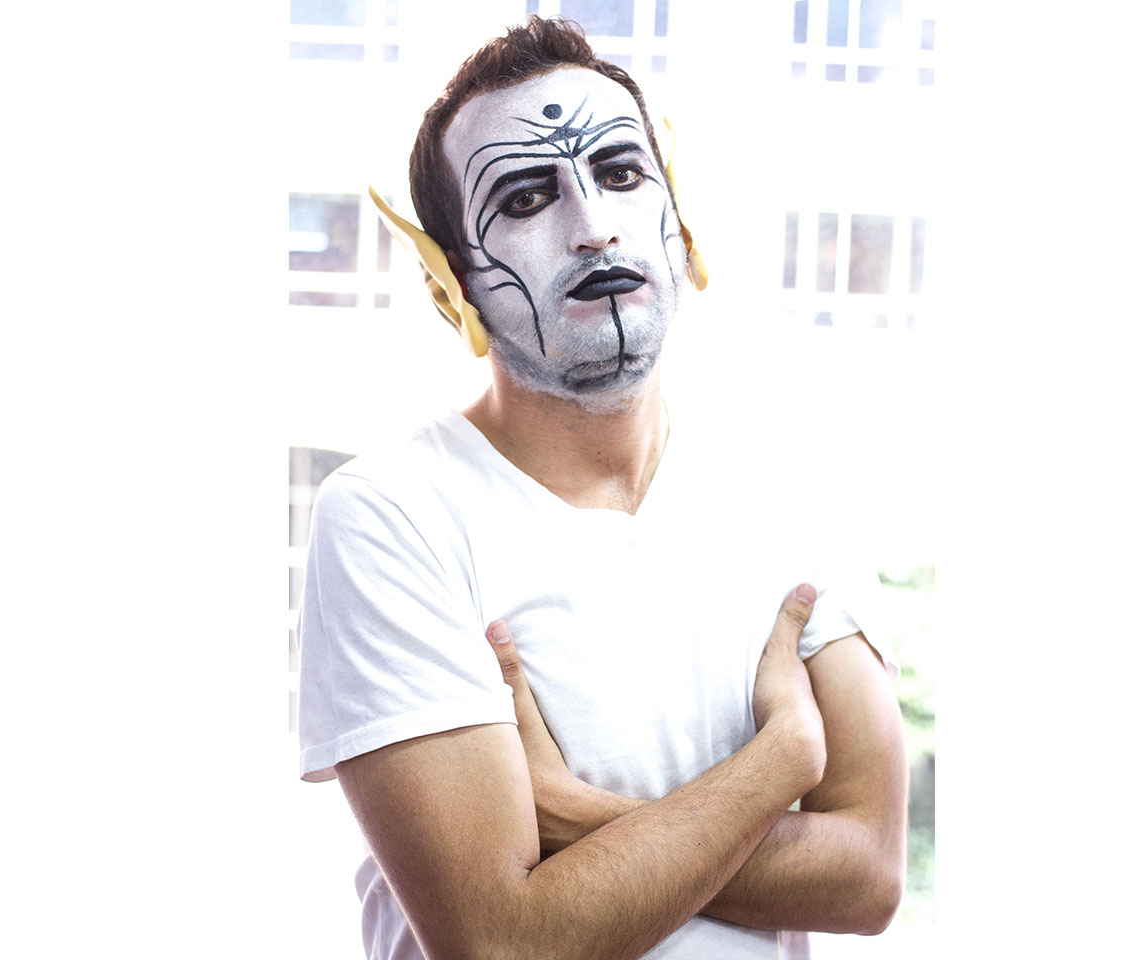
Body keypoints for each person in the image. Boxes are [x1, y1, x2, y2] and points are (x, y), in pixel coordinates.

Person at [297, 16, 908, 960]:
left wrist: (576, 818)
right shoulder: (390, 514)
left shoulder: (786, 480)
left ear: (680, 222)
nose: (593, 227)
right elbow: (500, 943)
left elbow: (868, 876)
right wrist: (779, 763)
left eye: (621, 173)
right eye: (526, 197)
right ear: (453, 282)